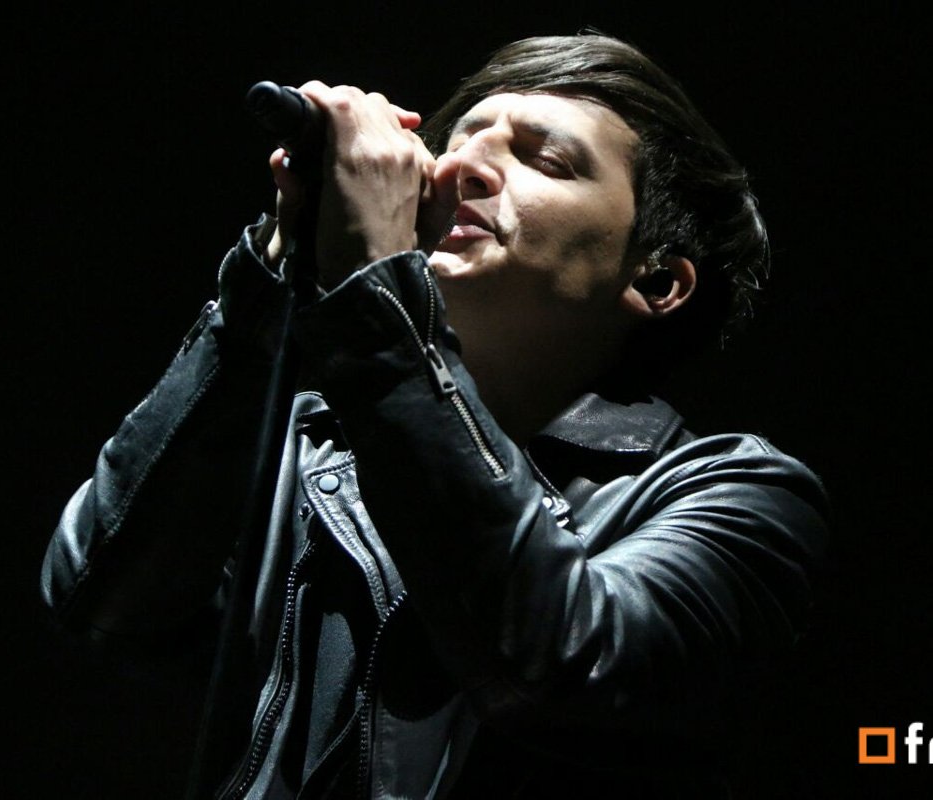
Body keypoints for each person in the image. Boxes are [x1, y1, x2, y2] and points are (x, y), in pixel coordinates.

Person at [41, 32, 830, 799]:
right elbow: (101, 600)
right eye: (460, 140)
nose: (461, 168)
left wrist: (376, 291)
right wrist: (276, 273)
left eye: (545, 160)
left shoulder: (740, 497)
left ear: (656, 282)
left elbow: (557, 665)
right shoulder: (306, 452)